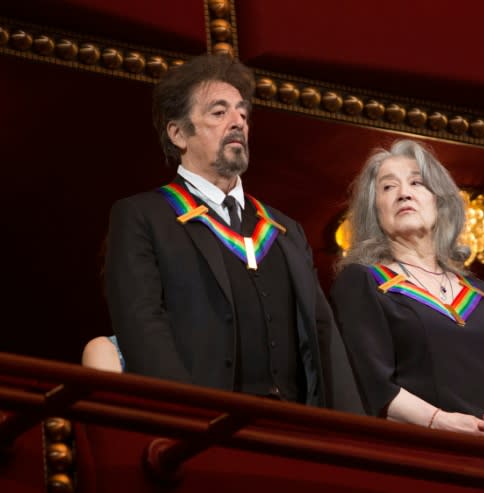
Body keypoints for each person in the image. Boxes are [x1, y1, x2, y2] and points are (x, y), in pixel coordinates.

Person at [104, 53, 359, 411]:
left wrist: (348, 435)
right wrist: (183, 418)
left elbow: (322, 334)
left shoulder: (284, 230)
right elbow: (143, 326)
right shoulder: (144, 217)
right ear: (178, 133)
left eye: (242, 113)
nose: (238, 122)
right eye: (219, 112)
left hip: (296, 431)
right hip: (203, 429)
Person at [330, 139, 484, 443]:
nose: (404, 193)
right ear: (373, 211)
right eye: (388, 188)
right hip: (422, 451)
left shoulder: (483, 295)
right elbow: (371, 383)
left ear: (440, 202)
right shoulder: (363, 282)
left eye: (417, 182)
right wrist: (441, 423)